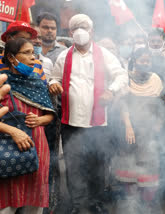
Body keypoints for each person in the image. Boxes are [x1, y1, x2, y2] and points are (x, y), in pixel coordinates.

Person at [49, 14, 128, 214]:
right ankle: (78, 205)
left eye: (84, 26)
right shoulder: (64, 56)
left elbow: (121, 75)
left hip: (99, 123)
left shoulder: (105, 54)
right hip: (71, 122)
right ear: (70, 32)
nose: (80, 30)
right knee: (74, 166)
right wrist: (53, 84)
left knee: (98, 166)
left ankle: (96, 202)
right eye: (75, 27)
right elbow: (54, 78)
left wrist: (111, 90)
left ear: (92, 31)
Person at [0, 38, 55, 214]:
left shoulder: (38, 83)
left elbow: (50, 115)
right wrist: (14, 131)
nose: (33, 58)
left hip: (38, 146)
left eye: (33, 52)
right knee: (8, 201)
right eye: (26, 53)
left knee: (34, 202)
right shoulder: (2, 84)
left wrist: (40, 120)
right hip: (9, 147)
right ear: (11, 57)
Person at [113, 47, 164, 213]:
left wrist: (158, 124)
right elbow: (123, 105)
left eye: (148, 61)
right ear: (134, 61)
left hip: (149, 131)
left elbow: (160, 105)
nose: (146, 63)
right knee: (129, 165)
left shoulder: (156, 79)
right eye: (142, 60)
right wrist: (128, 126)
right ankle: (130, 203)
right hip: (129, 130)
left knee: (149, 165)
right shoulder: (126, 79)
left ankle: (146, 203)